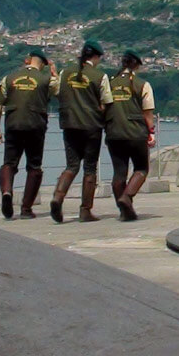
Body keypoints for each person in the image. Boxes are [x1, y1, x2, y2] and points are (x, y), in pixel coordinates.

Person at [50, 41, 110, 223]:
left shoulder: (65, 73)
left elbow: (57, 92)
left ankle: (58, 197)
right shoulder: (100, 76)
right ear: (96, 57)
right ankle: (85, 210)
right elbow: (107, 102)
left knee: (71, 166)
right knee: (90, 168)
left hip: (69, 125)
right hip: (91, 126)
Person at [0, 50, 53, 220]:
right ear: (43, 65)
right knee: (34, 166)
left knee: (9, 163)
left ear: (27, 60)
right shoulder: (46, 80)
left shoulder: (9, 78)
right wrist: (54, 73)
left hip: (13, 124)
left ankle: (7, 192)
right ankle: (26, 209)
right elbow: (57, 90)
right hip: (35, 126)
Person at [103, 51, 156, 221]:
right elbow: (148, 113)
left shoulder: (109, 83)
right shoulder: (142, 85)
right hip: (136, 133)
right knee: (141, 168)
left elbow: (102, 107)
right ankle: (127, 197)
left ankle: (124, 210)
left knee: (119, 172)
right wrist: (151, 132)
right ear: (137, 66)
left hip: (114, 133)